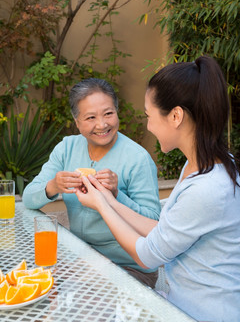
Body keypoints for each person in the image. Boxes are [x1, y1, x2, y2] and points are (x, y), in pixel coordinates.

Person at [74, 57, 240, 322]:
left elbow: (148, 256)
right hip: (180, 304)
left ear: (175, 116)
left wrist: (101, 206)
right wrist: (110, 199)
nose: (148, 126)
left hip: (203, 313)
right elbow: (163, 230)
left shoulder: (208, 188)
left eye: (149, 116)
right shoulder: (200, 165)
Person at [22, 78, 161, 288]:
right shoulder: (66, 148)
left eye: (108, 113)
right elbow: (29, 197)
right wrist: (53, 185)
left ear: (117, 112)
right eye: (90, 117)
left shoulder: (137, 159)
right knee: (32, 287)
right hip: (79, 259)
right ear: (76, 122)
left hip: (129, 267)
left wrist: (116, 194)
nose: (102, 124)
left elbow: (153, 226)